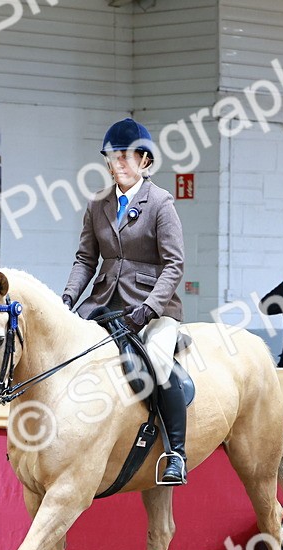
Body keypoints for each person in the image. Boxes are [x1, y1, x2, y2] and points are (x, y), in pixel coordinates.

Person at [61, 117, 188, 485]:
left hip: (153, 308)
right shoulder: (97, 203)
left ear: (145, 162)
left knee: (160, 364)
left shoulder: (161, 202)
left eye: (127, 158)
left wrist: (149, 308)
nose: (118, 165)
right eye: (113, 158)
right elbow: (86, 258)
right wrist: (68, 298)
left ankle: (175, 453)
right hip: (104, 303)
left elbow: (174, 263)